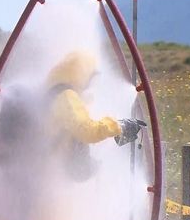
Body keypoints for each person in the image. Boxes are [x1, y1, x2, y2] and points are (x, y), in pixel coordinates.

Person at [45, 51, 145, 179]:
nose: (91, 83)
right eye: (91, 78)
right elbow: (87, 130)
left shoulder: (58, 94)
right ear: (80, 75)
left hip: (55, 167)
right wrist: (120, 127)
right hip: (58, 168)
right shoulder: (67, 97)